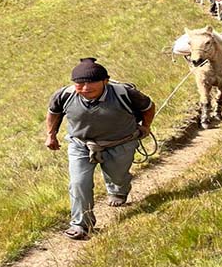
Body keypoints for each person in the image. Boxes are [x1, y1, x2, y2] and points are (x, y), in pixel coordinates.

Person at [46, 58, 155, 240]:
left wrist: (146, 126)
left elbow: (148, 107)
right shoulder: (64, 95)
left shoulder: (124, 93)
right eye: (80, 83)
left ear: (105, 81)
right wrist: (51, 134)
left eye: (92, 82)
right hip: (80, 145)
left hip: (120, 142)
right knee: (78, 183)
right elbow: (53, 113)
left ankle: (118, 190)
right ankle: (81, 225)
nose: (86, 88)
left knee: (117, 176)